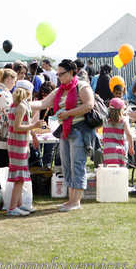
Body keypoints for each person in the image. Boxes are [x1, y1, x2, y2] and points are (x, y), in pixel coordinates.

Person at [31, 60, 95, 212]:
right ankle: (71, 200)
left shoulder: (82, 86)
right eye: (58, 74)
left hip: (79, 131)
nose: (58, 76)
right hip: (65, 132)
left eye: (62, 74)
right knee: (66, 166)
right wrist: (21, 103)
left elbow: (89, 105)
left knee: (77, 165)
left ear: (72, 72)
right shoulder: (59, 90)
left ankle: (76, 201)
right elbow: (42, 104)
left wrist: (68, 113)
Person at [7, 80, 44, 216]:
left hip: (19, 143)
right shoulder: (22, 106)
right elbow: (17, 127)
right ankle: (12, 207)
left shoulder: (18, 105)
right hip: (17, 144)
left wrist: (33, 135)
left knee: (20, 176)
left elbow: (25, 123)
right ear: (28, 92)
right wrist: (35, 126)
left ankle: (19, 204)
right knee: (19, 177)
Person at [102, 98, 134, 167]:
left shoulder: (105, 120)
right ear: (121, 110)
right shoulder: (124, 121)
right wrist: (131, 147)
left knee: (109, 170)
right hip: (119, 150)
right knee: (120, 172)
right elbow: (129, 134)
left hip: (107, 150)